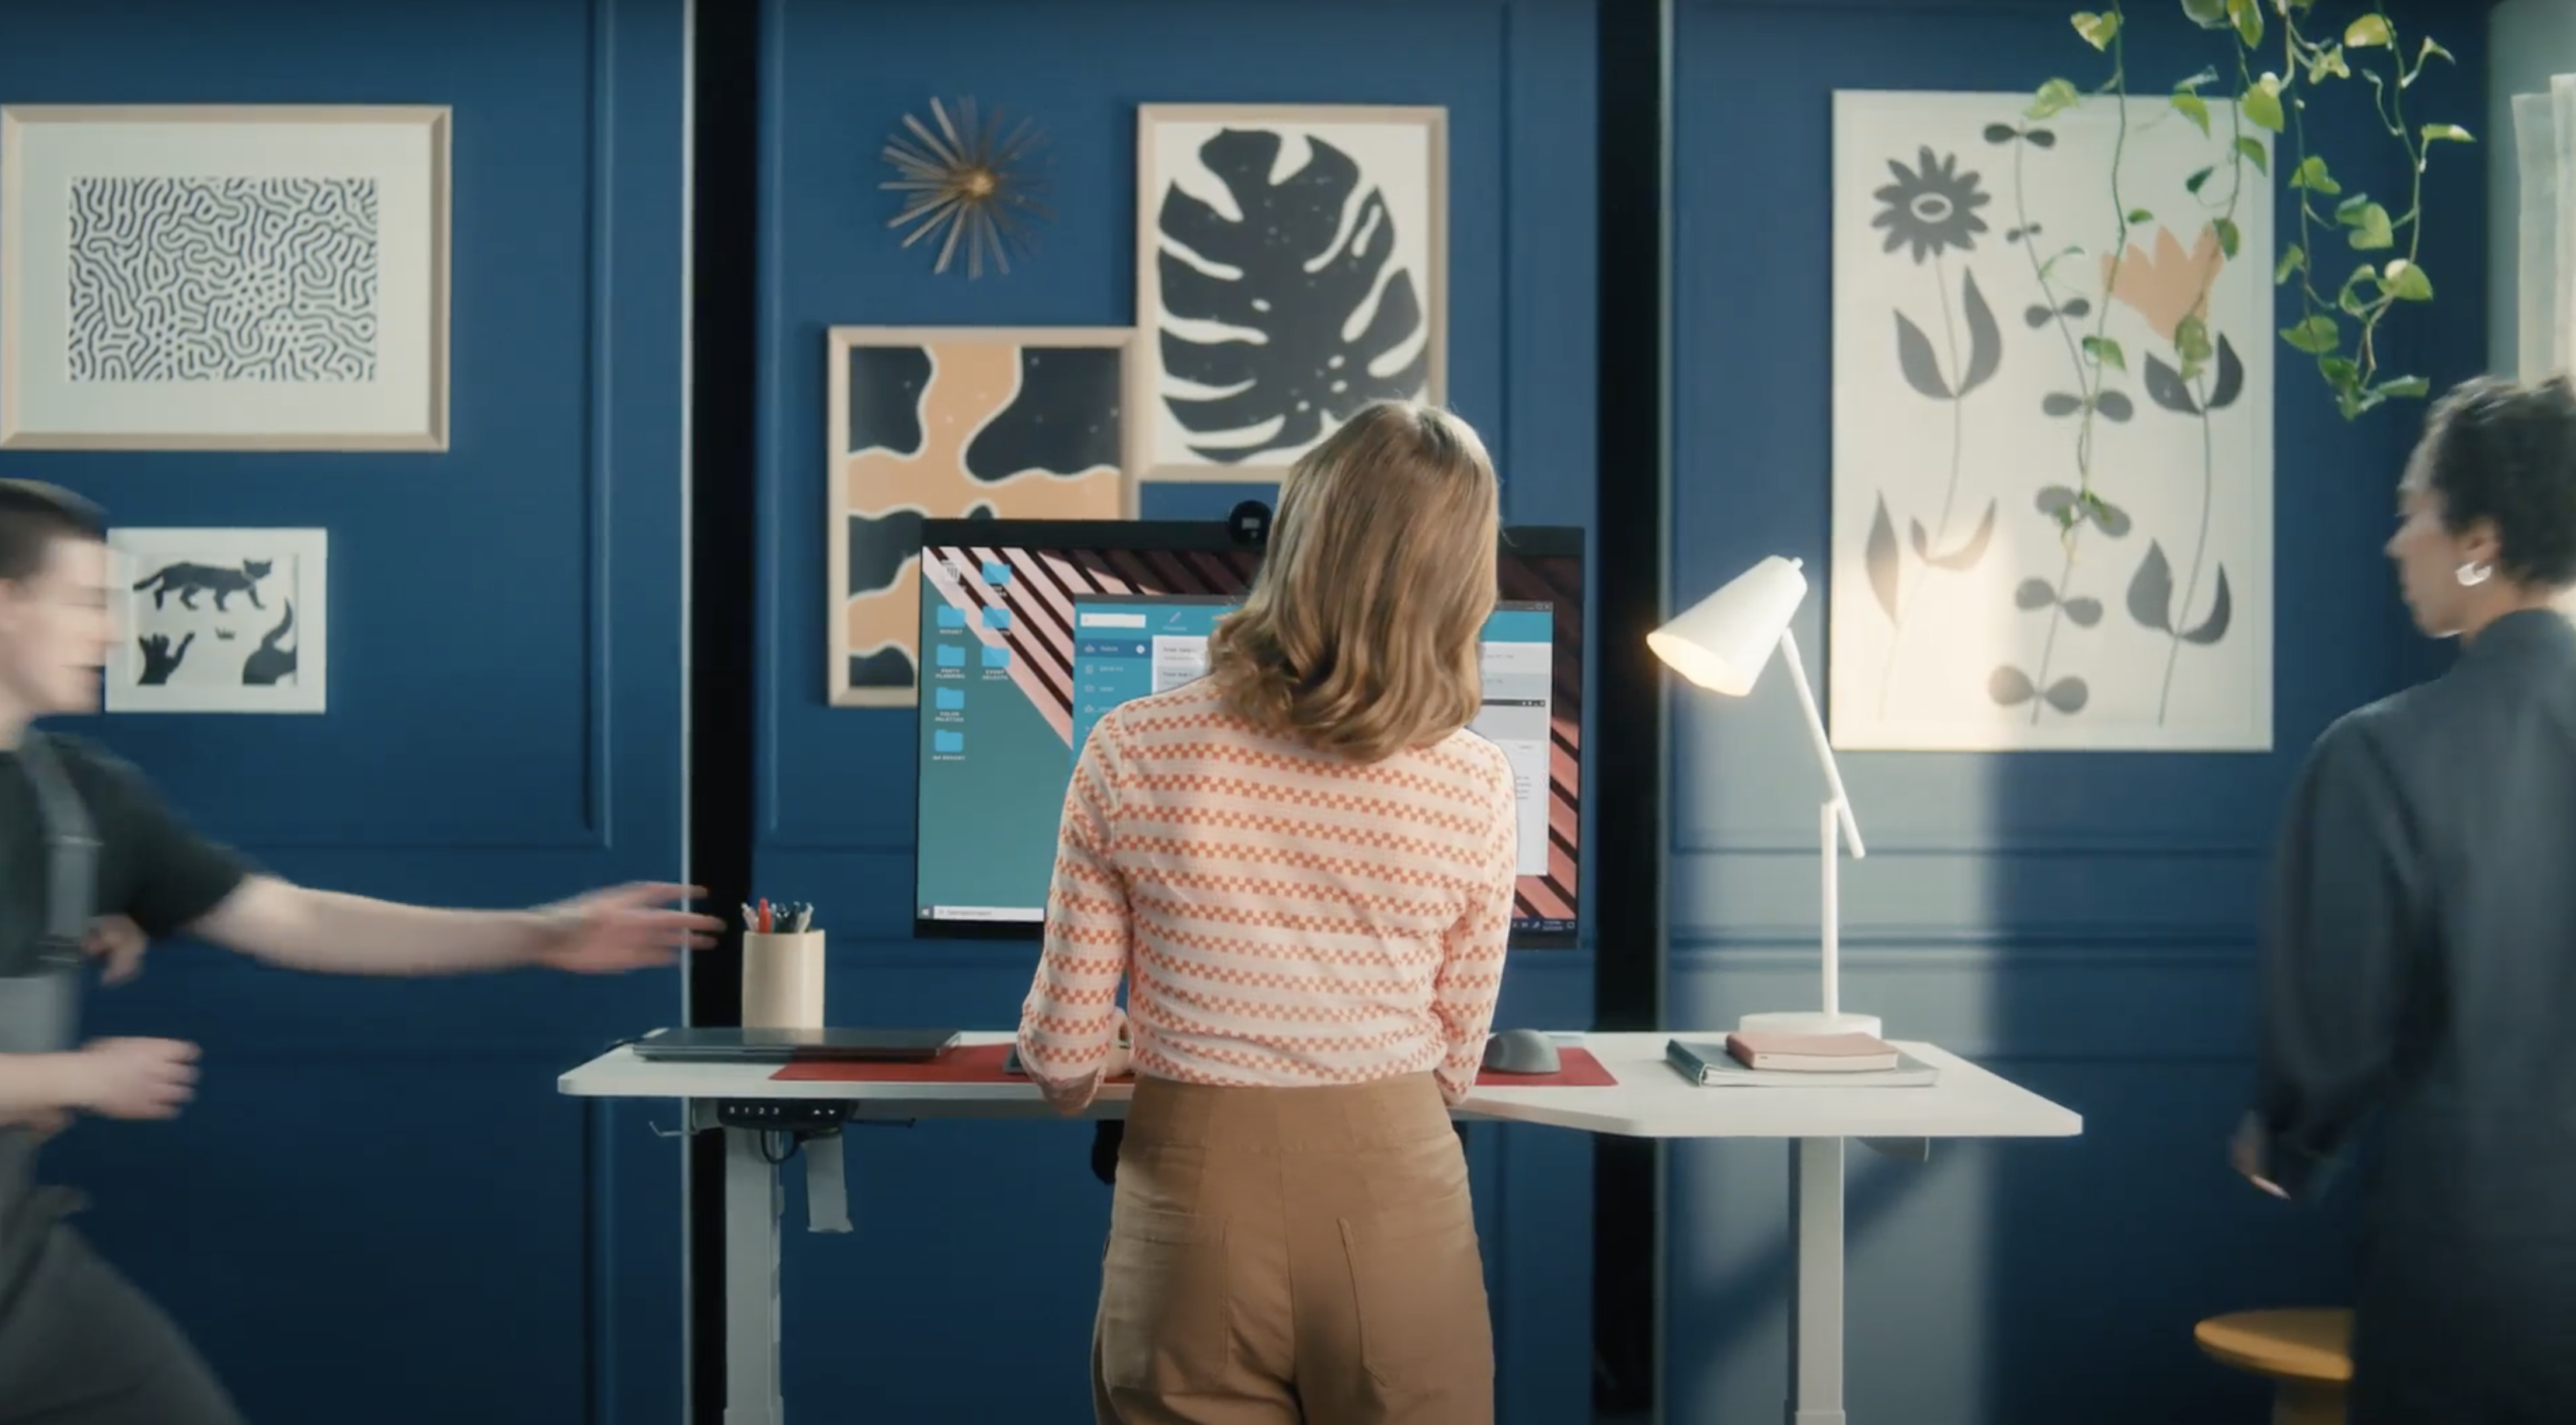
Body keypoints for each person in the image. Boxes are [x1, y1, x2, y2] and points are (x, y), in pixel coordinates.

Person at [0, 479, 722, 1424]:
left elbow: (292, 920)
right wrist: (75, 1078)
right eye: (88, 602)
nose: (111, 633)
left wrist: (544, 933)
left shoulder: (84, 799)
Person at [1015, 400, 1518, 1425]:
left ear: (1297, 538)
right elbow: (1454, 1065)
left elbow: (1064, 1064)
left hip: (1192, 1215)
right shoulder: (1476, 782)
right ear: (1461, 583)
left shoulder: (1133, 747)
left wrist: (1135, 1034)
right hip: (1399, 1207)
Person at [2233, 374, 2576, 1424]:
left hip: (2475, 1275)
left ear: (2479, 535)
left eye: (2412, 511)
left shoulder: (2380, 753)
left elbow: (2333, 1027)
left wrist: (2289, 1141)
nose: (2396, 542)